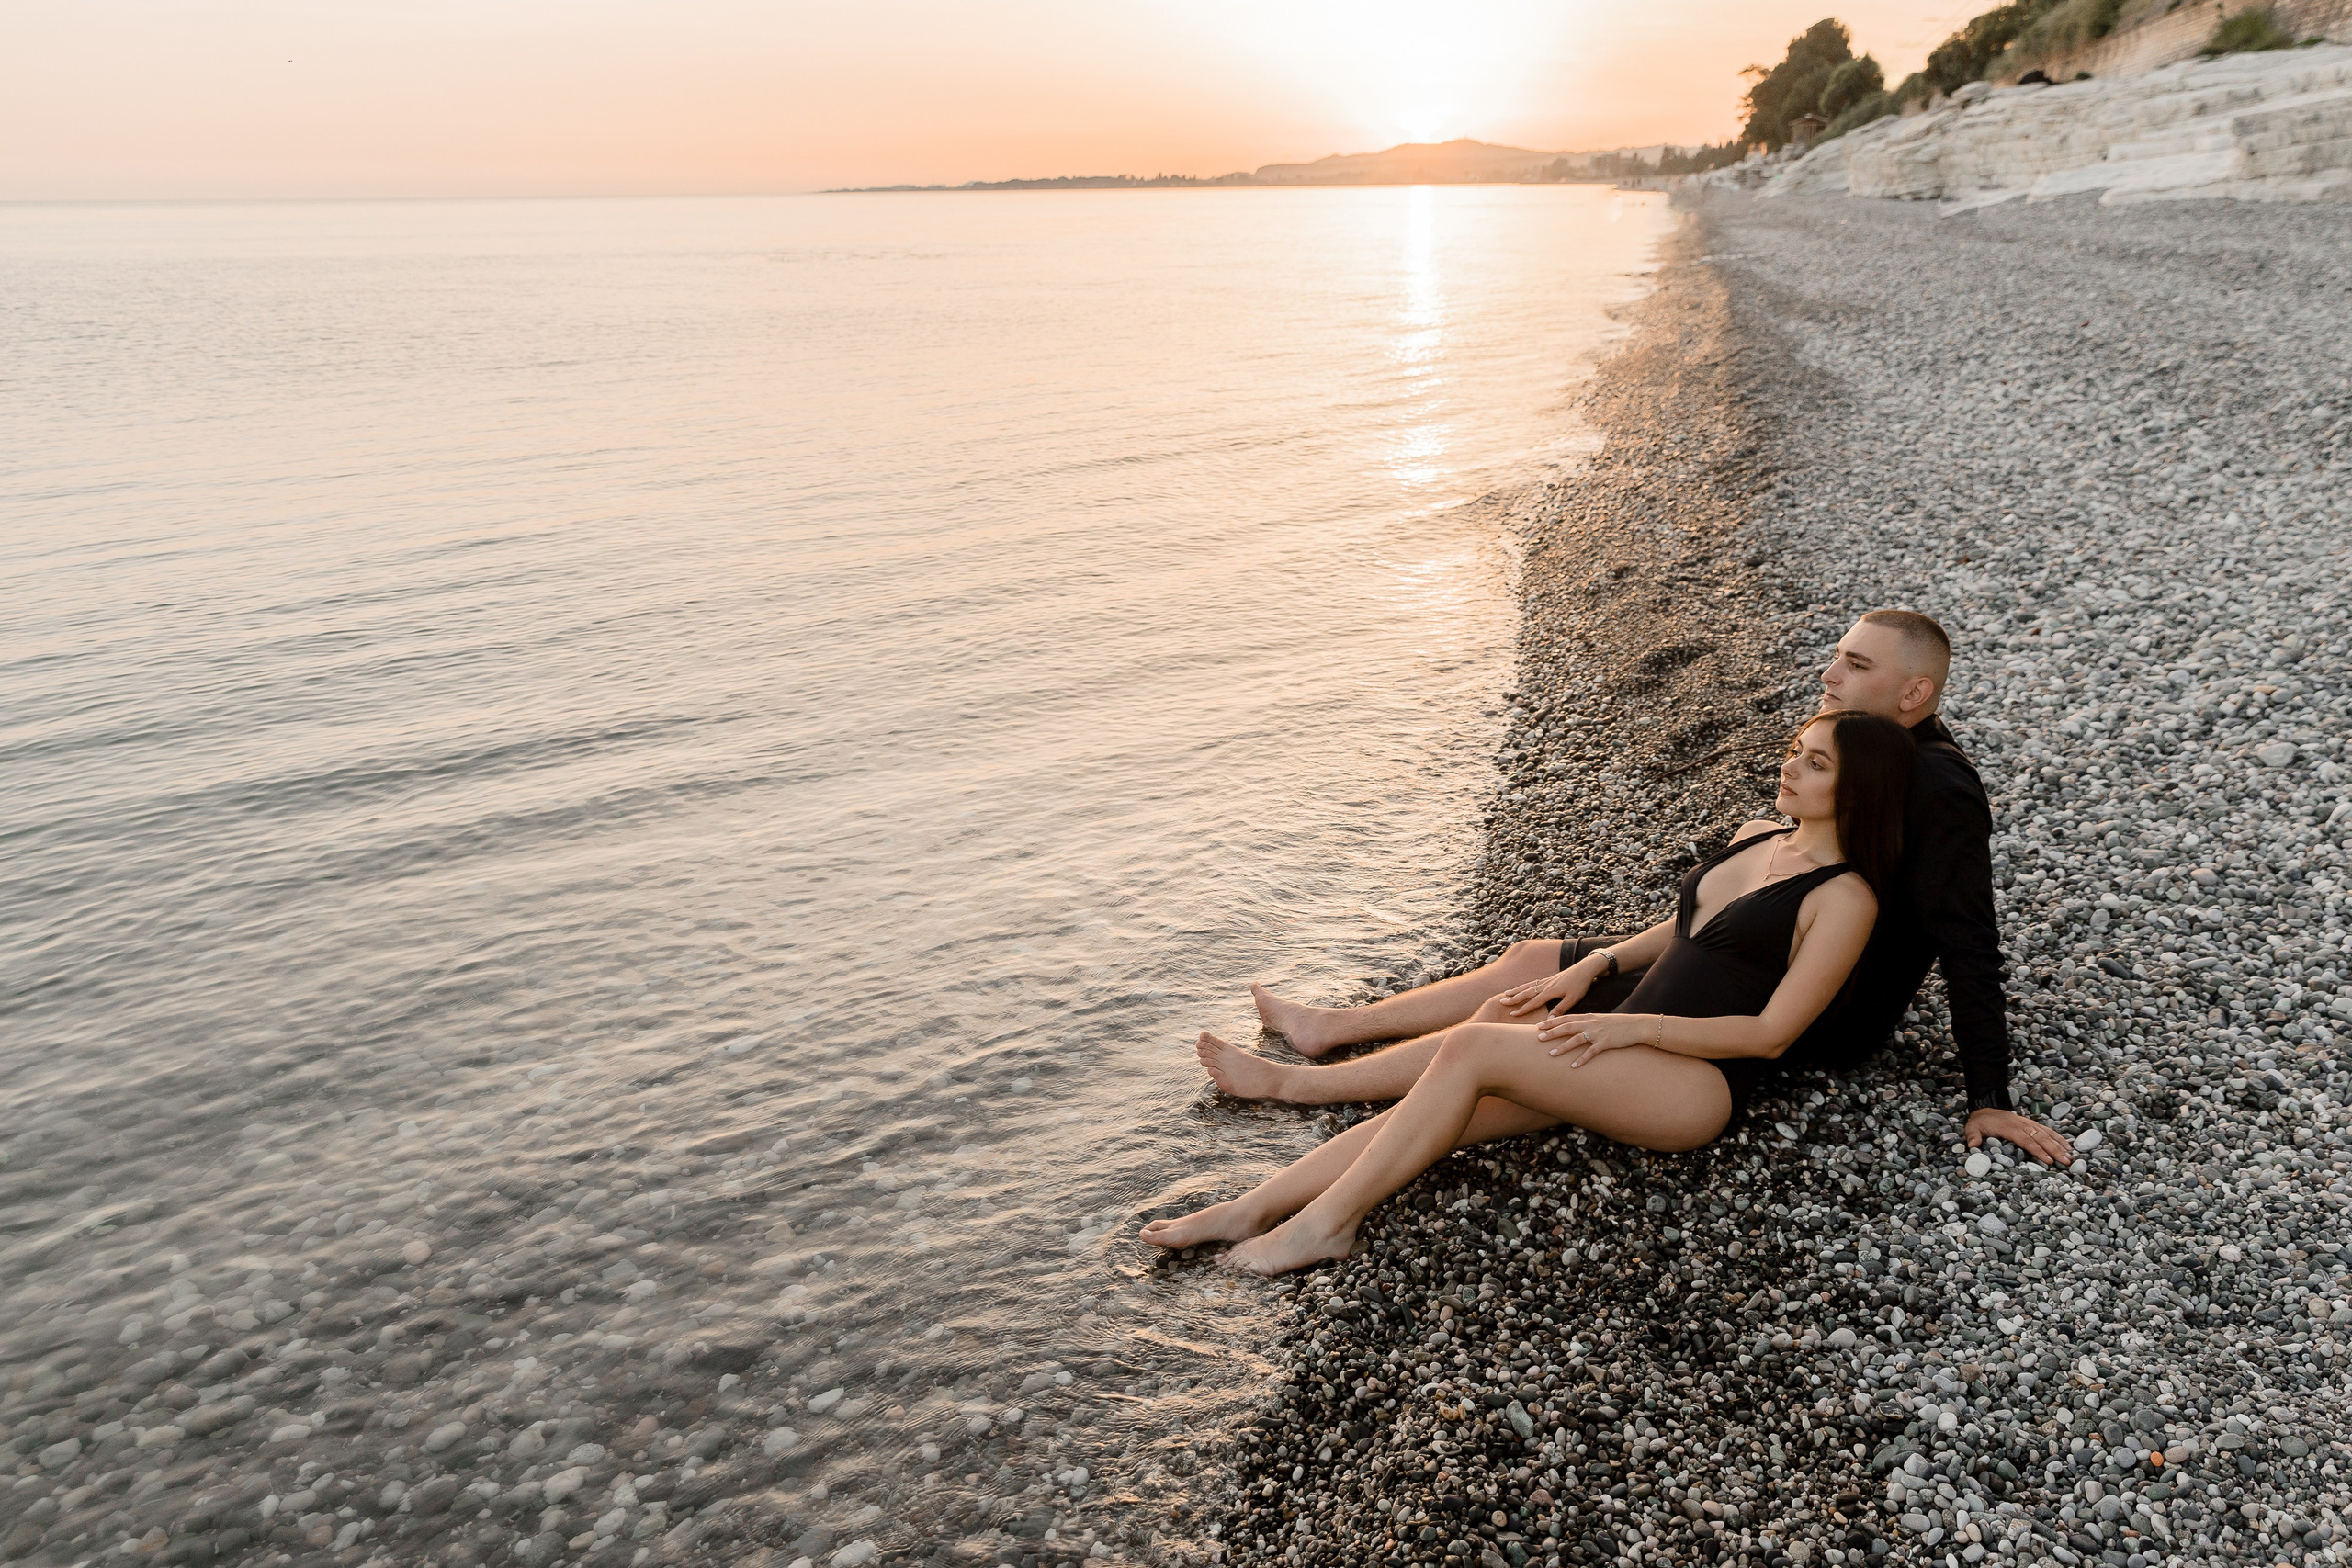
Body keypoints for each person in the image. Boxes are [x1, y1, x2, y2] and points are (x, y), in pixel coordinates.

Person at [1204, 609, 2072, 1168]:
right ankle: (1330, 1032)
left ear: (1914, 693)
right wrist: (1624, 950)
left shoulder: (1940, 788)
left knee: (1523, 1025)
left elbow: (1968, 940)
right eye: (1835, 659)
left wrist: (1987, 1096)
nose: (1828, 677)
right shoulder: (1869, 747)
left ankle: (1305, 1083)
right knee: (1536, 960)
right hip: (1756, 948)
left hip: (1801, 994)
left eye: (1853, 665)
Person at [1139, 710, 1911, 1275]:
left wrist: (1634, 1030)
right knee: (1449, 1102)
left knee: (1474, 1044)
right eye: (1795, 751)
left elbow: (1772, 1033)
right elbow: (1682, 927)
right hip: (1620, 1047)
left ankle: (1326, 1224)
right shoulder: (1757, 836)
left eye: (1816, 764)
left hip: (1694, 1088)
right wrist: (1597, 965)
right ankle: (1252, 1208)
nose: (1790, 768)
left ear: (1859, 790)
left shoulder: (1846, 899)